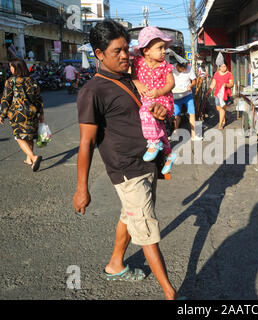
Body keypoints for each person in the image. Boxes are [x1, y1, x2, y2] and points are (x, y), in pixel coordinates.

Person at [73, 20, 181, 300]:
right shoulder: (92, 92)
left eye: (126, 50)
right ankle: (171, 294)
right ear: (99, 54)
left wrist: (159, 111)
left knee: (130, 217)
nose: (124, 56)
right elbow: (85, 143)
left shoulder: (131, 79)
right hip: (126, 170)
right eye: (116, 51)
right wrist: (81, 189)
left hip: (147, 163)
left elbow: (147, 113)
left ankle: (115, 263)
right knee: (146, 230)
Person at [132, 26, 177, 174]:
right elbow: (133, 77)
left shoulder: (165, 66)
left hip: (163, 100)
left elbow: (171, 83)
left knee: (144, 112)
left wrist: (159, 92)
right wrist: (138, 84)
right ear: (146, 51)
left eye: (164, 48)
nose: (164, 51)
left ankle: (153, 142)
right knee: (161, 130)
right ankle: (169, 154)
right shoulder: (138, 63)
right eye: (160, 48)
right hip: (147, 100)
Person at [0, 58, 44, 171]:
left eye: (11, 66)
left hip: (17, 114)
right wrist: (41, 113)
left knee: (19, 137)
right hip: (32, 113)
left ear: (16, 67)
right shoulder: (32, 80)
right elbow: (38, 99)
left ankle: (34, 157)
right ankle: (29, 159)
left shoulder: (11, 81)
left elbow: (6, 99)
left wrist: (2, 114)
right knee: (29, 136)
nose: (10, 68)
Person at [172, 62, 202, 140]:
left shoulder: (189, 67)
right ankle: (175, 133)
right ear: (177, 66)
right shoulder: (172, 68)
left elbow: (194, 81)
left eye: (184, 70)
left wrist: (191, 85)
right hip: (176, 95)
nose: (183, 71)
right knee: (176, 115)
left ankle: (193, 135)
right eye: (181, 70)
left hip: (187, 94)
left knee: (192, 113)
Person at [209, 54, 233, 130]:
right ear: (219, 67)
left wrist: (226, 85)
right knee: (218, 108)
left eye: (225, 66)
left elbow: (231, 84)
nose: (223, 68)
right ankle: (223, 119)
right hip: (217, 94)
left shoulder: (229, 74)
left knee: (222, 108)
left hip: (225, 95)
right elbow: (213, 83)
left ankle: (220, 125)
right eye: (222, 66)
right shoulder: (216, 74)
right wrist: (208, 91)